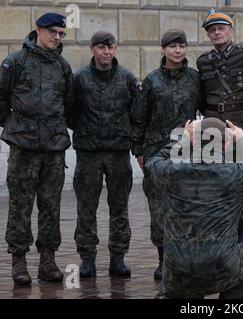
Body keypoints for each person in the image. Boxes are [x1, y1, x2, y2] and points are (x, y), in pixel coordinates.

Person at [148, 118, 243, 298]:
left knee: (179, 283)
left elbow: (153, 162)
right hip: (222, 267)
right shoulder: (236, 173)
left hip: (178, 270)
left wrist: (181, 140)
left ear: (195, 141)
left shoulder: (172, 171)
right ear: (226, 144)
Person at [0, 13, 74, 285]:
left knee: (51, 206)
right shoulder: (15, 62)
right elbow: (2, 98)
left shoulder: (62, 66)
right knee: (20, 206)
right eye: (53, 32)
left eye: (61, 34)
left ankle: (48, 260)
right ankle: (18, 262)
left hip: (54, 148)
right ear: (38, 31)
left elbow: (68, 102)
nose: (57, 37)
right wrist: (16, 126)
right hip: (24, 148)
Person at [67, 31, 141, 278]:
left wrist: (126, 135)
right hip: (88, 152)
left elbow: (136, 112)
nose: (106, 52)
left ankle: (118, 258)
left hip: (118, 152)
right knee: (86, 208)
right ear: (92, 49)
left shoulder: (127, 78)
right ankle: (87, 258)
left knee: (119, 207)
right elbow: (70, 111)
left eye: (110, 47)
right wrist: (86, 131)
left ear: (116, 49)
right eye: (101, 48)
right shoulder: (80, 79)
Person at [132, 29, 200, 280]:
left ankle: (184, 259)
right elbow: (139, 118)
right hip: (156, 154)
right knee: (158, 208)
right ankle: (163, 261)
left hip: (187, 152)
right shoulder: (151, 81)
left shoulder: (195, 79)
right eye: (172, 46)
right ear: (163, 50)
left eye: (181, 46)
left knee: (186, 207)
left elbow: (205, 112)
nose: (178, 51)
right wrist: (138, 151)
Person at [196, 9, 243, 243]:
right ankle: (220, 242)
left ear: (231, 31)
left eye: (221, 28)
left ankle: (242, 247)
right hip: (213, 127)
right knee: (215, 185)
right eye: (212, 30)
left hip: (242, 126)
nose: (217, 32)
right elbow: (202, 97)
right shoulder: (203, 61)